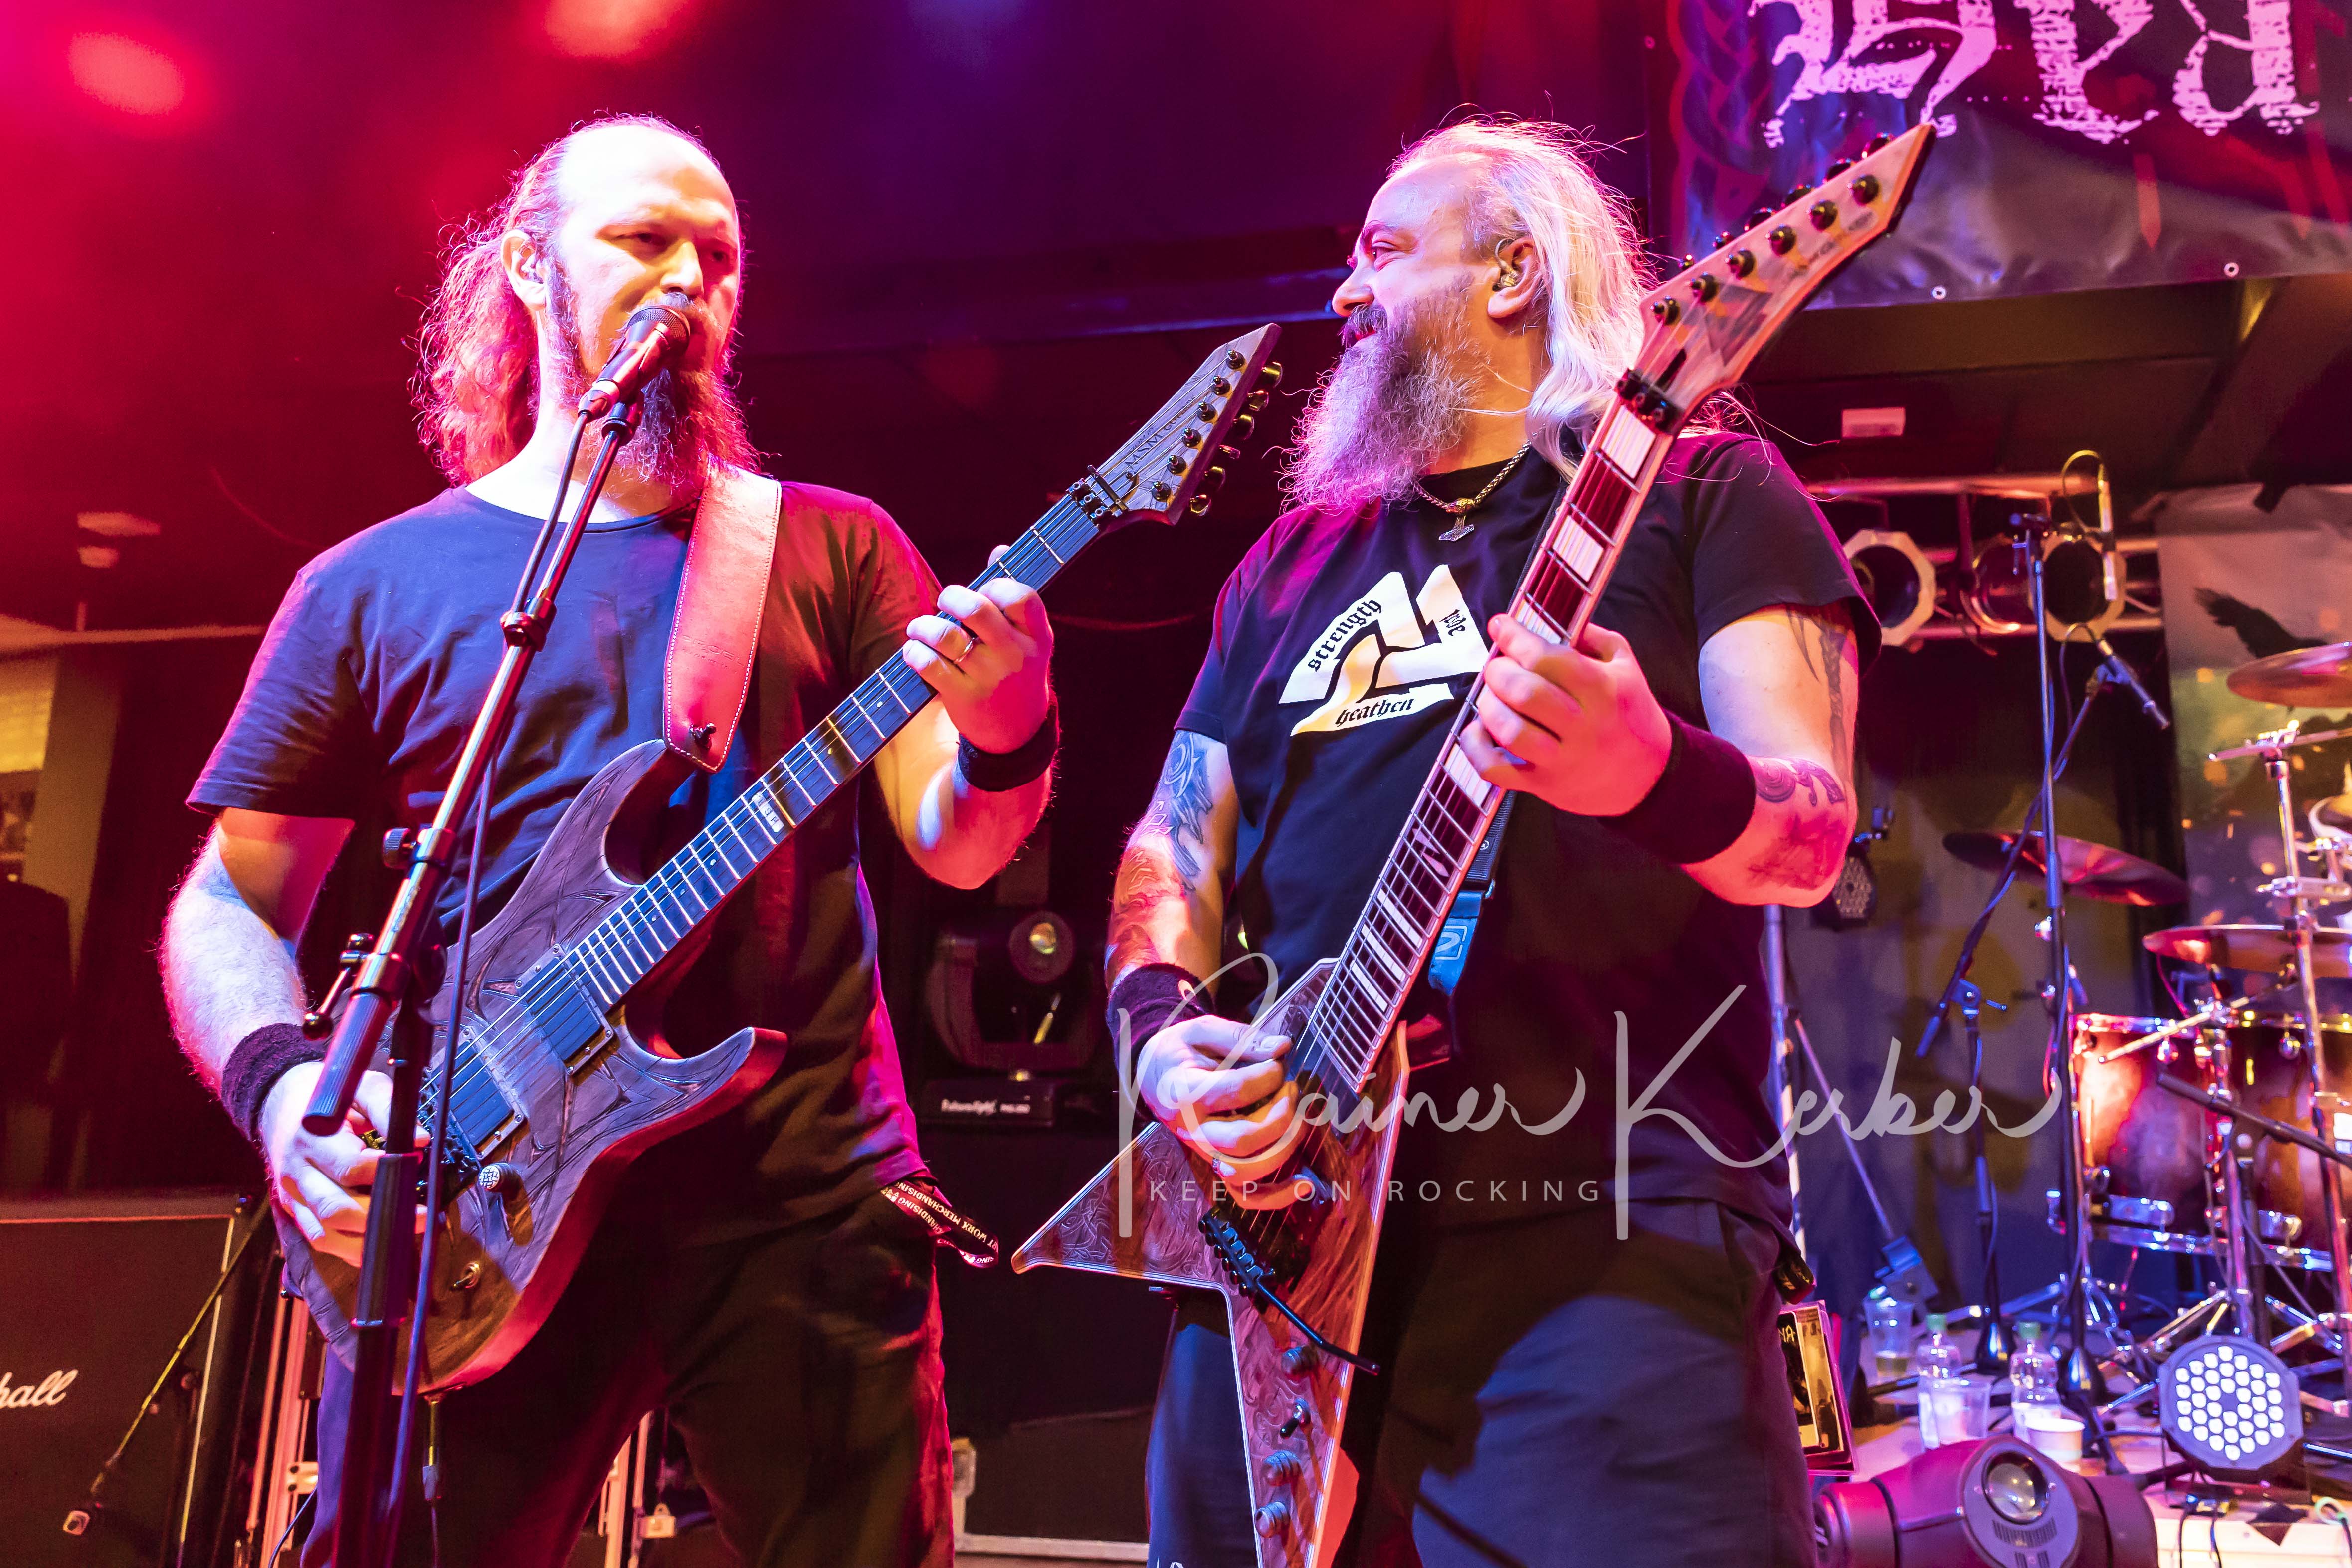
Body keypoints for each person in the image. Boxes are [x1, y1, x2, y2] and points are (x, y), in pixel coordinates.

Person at [161, 115, 1056, 1568]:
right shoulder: (372, 583)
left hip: (799, 1199)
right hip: (477, 1191)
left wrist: (1010, 726)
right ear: (528, 268)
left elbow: (957, 846)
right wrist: (279, 1093)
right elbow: (234, 901)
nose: (690, 279)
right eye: (644, 240)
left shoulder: (829, 546)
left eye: (720, 255)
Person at [1106, 120, 1875, 1568]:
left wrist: (1649, 773)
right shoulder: (1286, 566)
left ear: (1515, 271)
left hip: (1602, 1247)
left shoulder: (1702, 490)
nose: (1345, 293)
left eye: (1384, 251)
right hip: (1279, 1246)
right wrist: (1159, 1045)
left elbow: (1809, 838)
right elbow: (1172, 844)